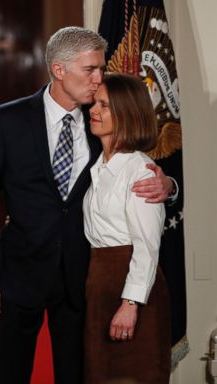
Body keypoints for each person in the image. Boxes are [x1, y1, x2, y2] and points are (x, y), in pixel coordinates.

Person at [0, 27, 174, 384]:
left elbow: (138, 168)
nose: (98, 79)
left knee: (79, 375)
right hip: (18, 274)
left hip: (83, 282)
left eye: (101, 70)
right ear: (59, 70)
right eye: (90, 69)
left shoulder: (105, 123)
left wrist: (169, 185)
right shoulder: (7, 120)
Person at [83, 73, 172, 384]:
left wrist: (130, 303)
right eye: (95, 102)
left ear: (126, 113)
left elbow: (147, 246)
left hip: (132, 288)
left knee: (134, 377)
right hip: (100, 285)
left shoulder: (140, 170)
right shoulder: (99, 166)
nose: (93, 110)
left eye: (104, 106)